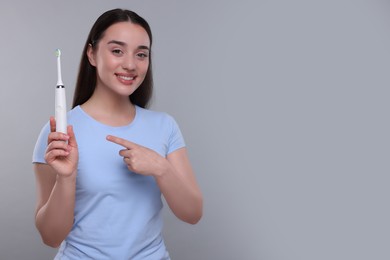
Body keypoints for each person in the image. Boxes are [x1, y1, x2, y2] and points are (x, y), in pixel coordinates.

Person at [32, 8, 203, 259]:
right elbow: (50, 237)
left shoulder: (165, 126)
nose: (131, 64)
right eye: (117, 51)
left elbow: (193, 214)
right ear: (92, 54)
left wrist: (161, 168)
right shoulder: (59, 133)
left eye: (141, 54)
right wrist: (66, 178)